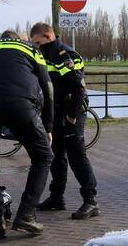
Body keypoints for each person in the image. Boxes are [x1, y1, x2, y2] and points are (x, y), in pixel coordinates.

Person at [0, 30, 54, 237]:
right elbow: (47, 88)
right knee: (43, 157)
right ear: (17, 39)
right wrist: (48, 126)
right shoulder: (30, 48)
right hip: (20, 105)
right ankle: (26, 215)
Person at [30, 22, 100, 220]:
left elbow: (79, 89)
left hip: (72, 111)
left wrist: (72, 117)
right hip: (56, 112)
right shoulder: (45, 55)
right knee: (56, 155)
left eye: (38, 42)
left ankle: (90, 200)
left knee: (77, 155)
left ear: (48, 36)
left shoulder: (64, 54)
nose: (37, 46)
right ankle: (56, 197)